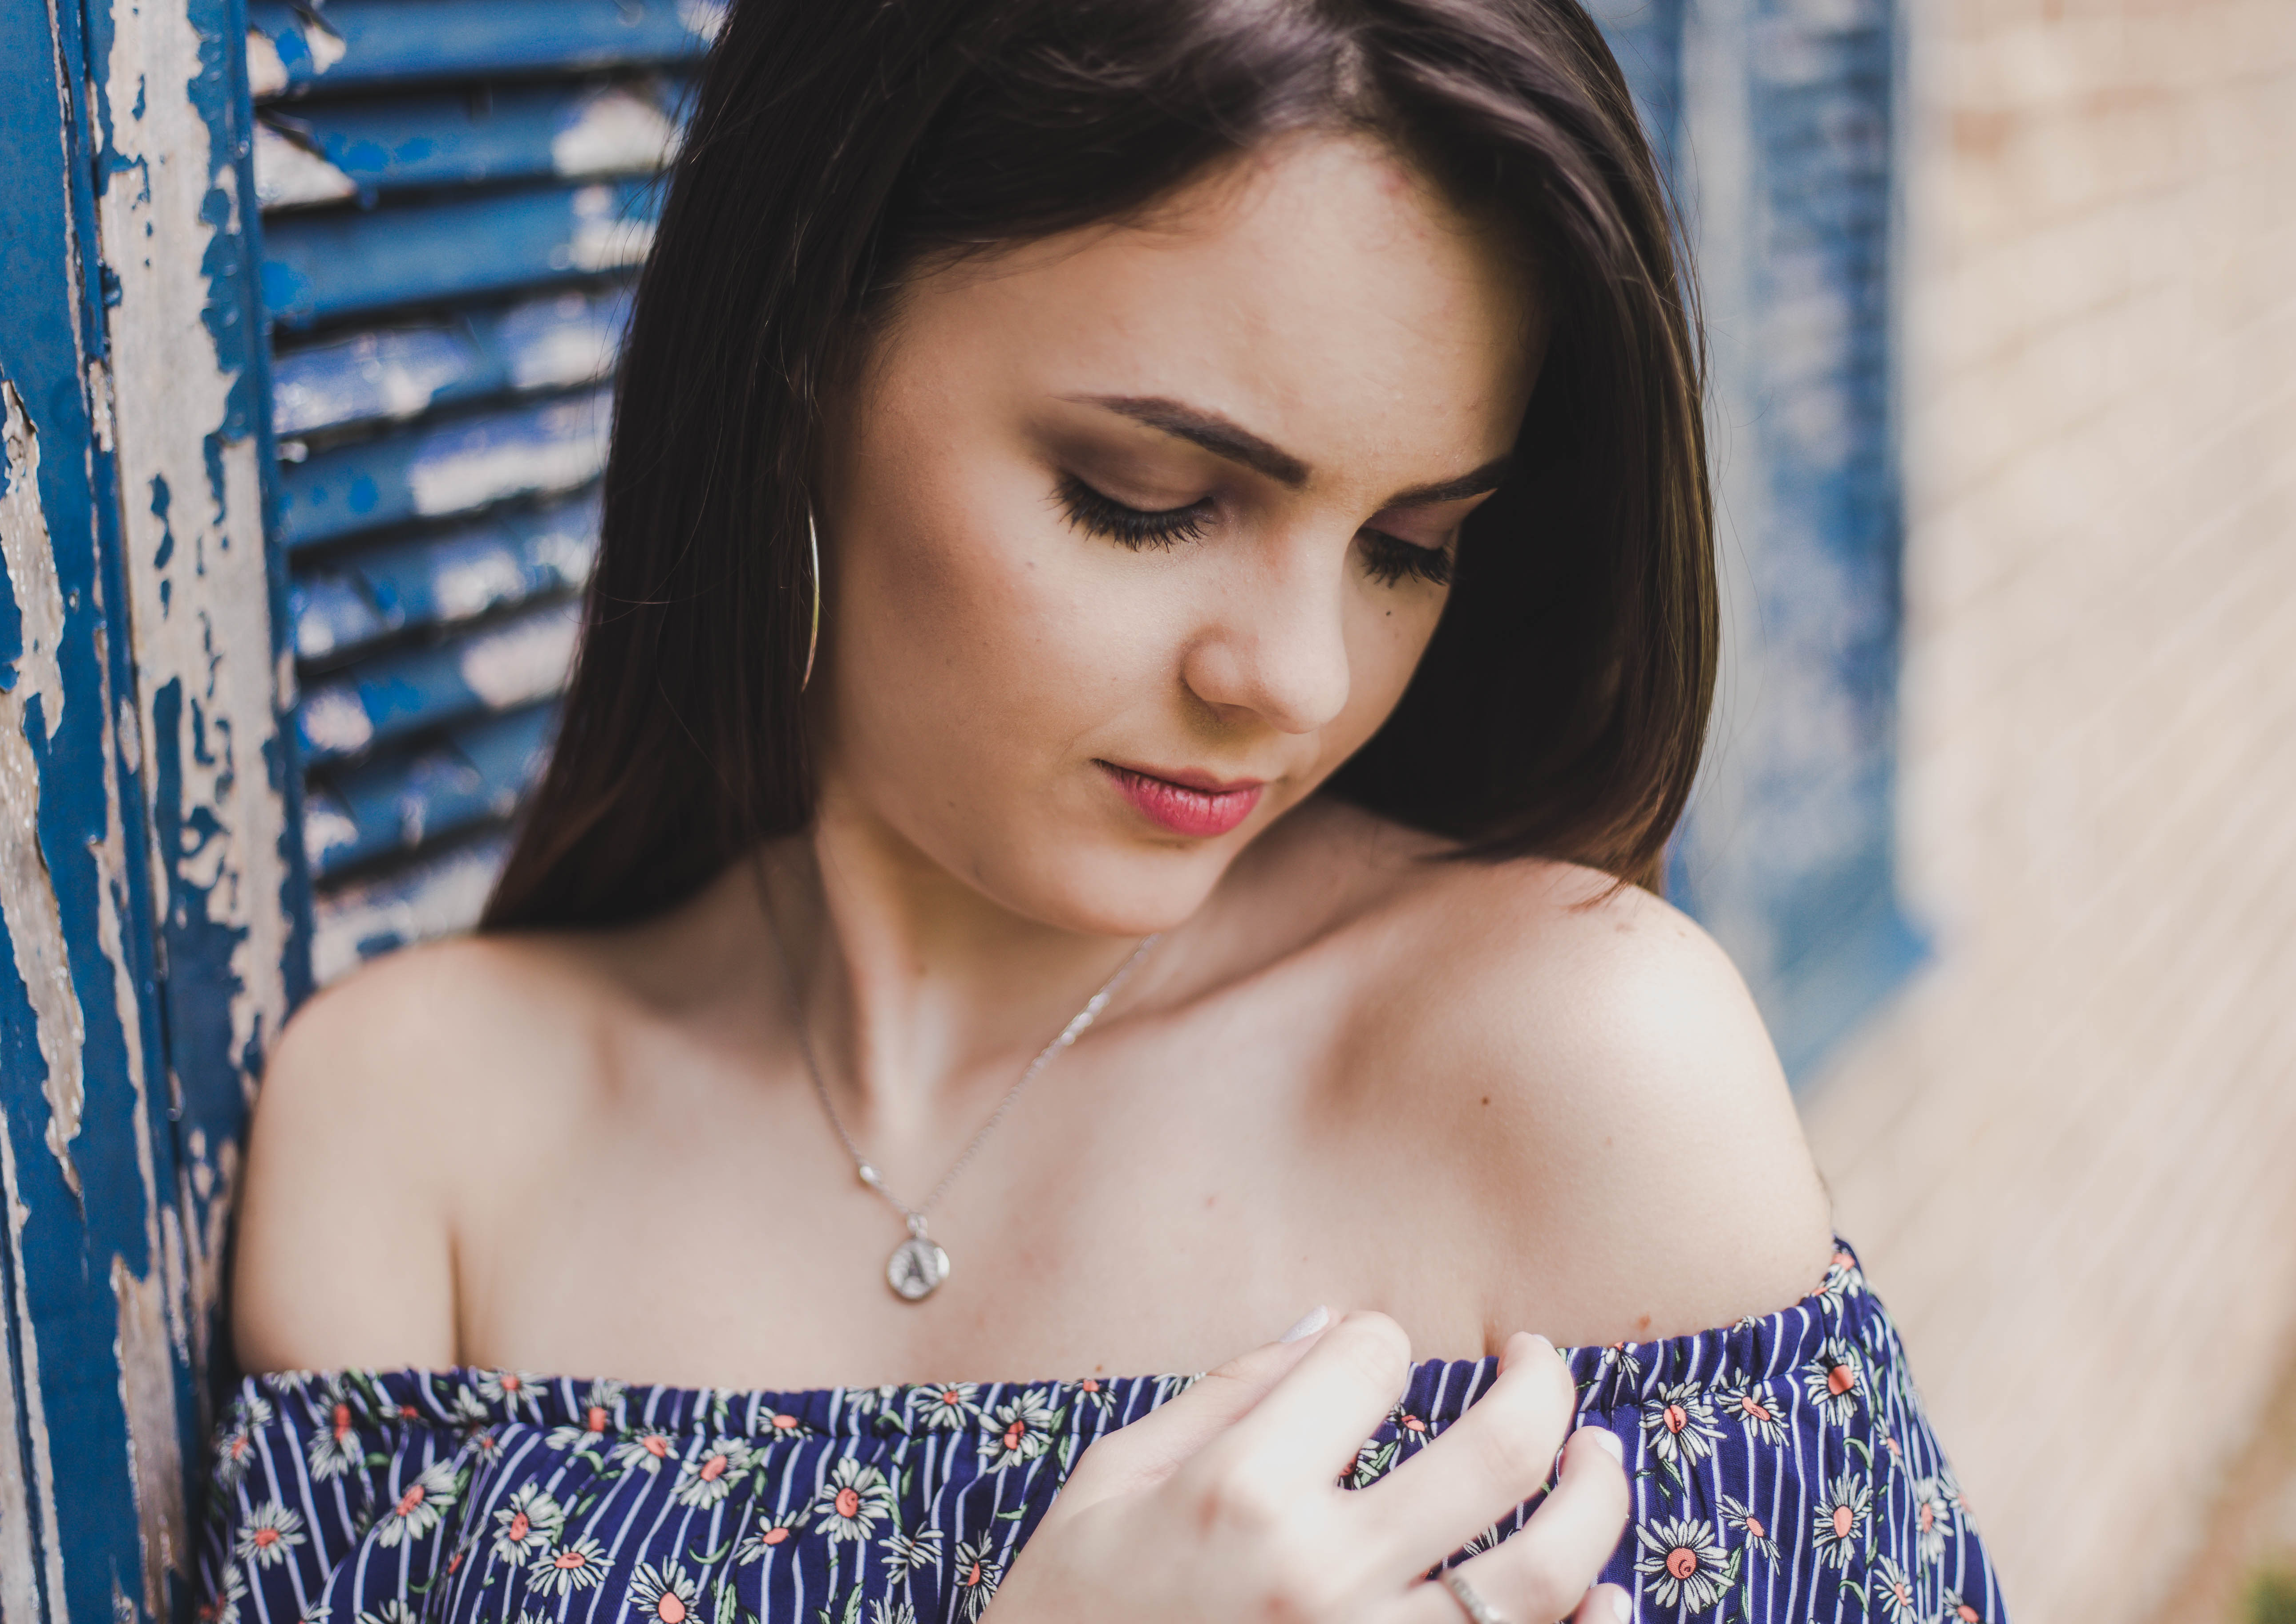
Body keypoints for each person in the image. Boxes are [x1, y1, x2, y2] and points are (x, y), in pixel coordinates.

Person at [205, 0, 2006, 1620]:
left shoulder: (1569, 1070)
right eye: (1143, 497)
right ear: (797, 371)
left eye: (1410, 547)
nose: (1297, 679)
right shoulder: (416, 1136)